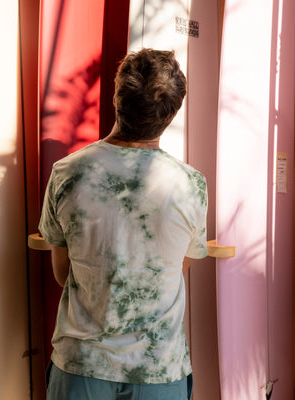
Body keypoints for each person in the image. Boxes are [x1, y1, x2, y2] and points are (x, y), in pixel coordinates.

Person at [39, 48, 208, 400]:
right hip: (159, 370)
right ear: (171, 113)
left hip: (82, 366)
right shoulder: (191, 185)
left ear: (116, 97)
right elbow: (177, 270)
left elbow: (62, 272)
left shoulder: (67, 174)